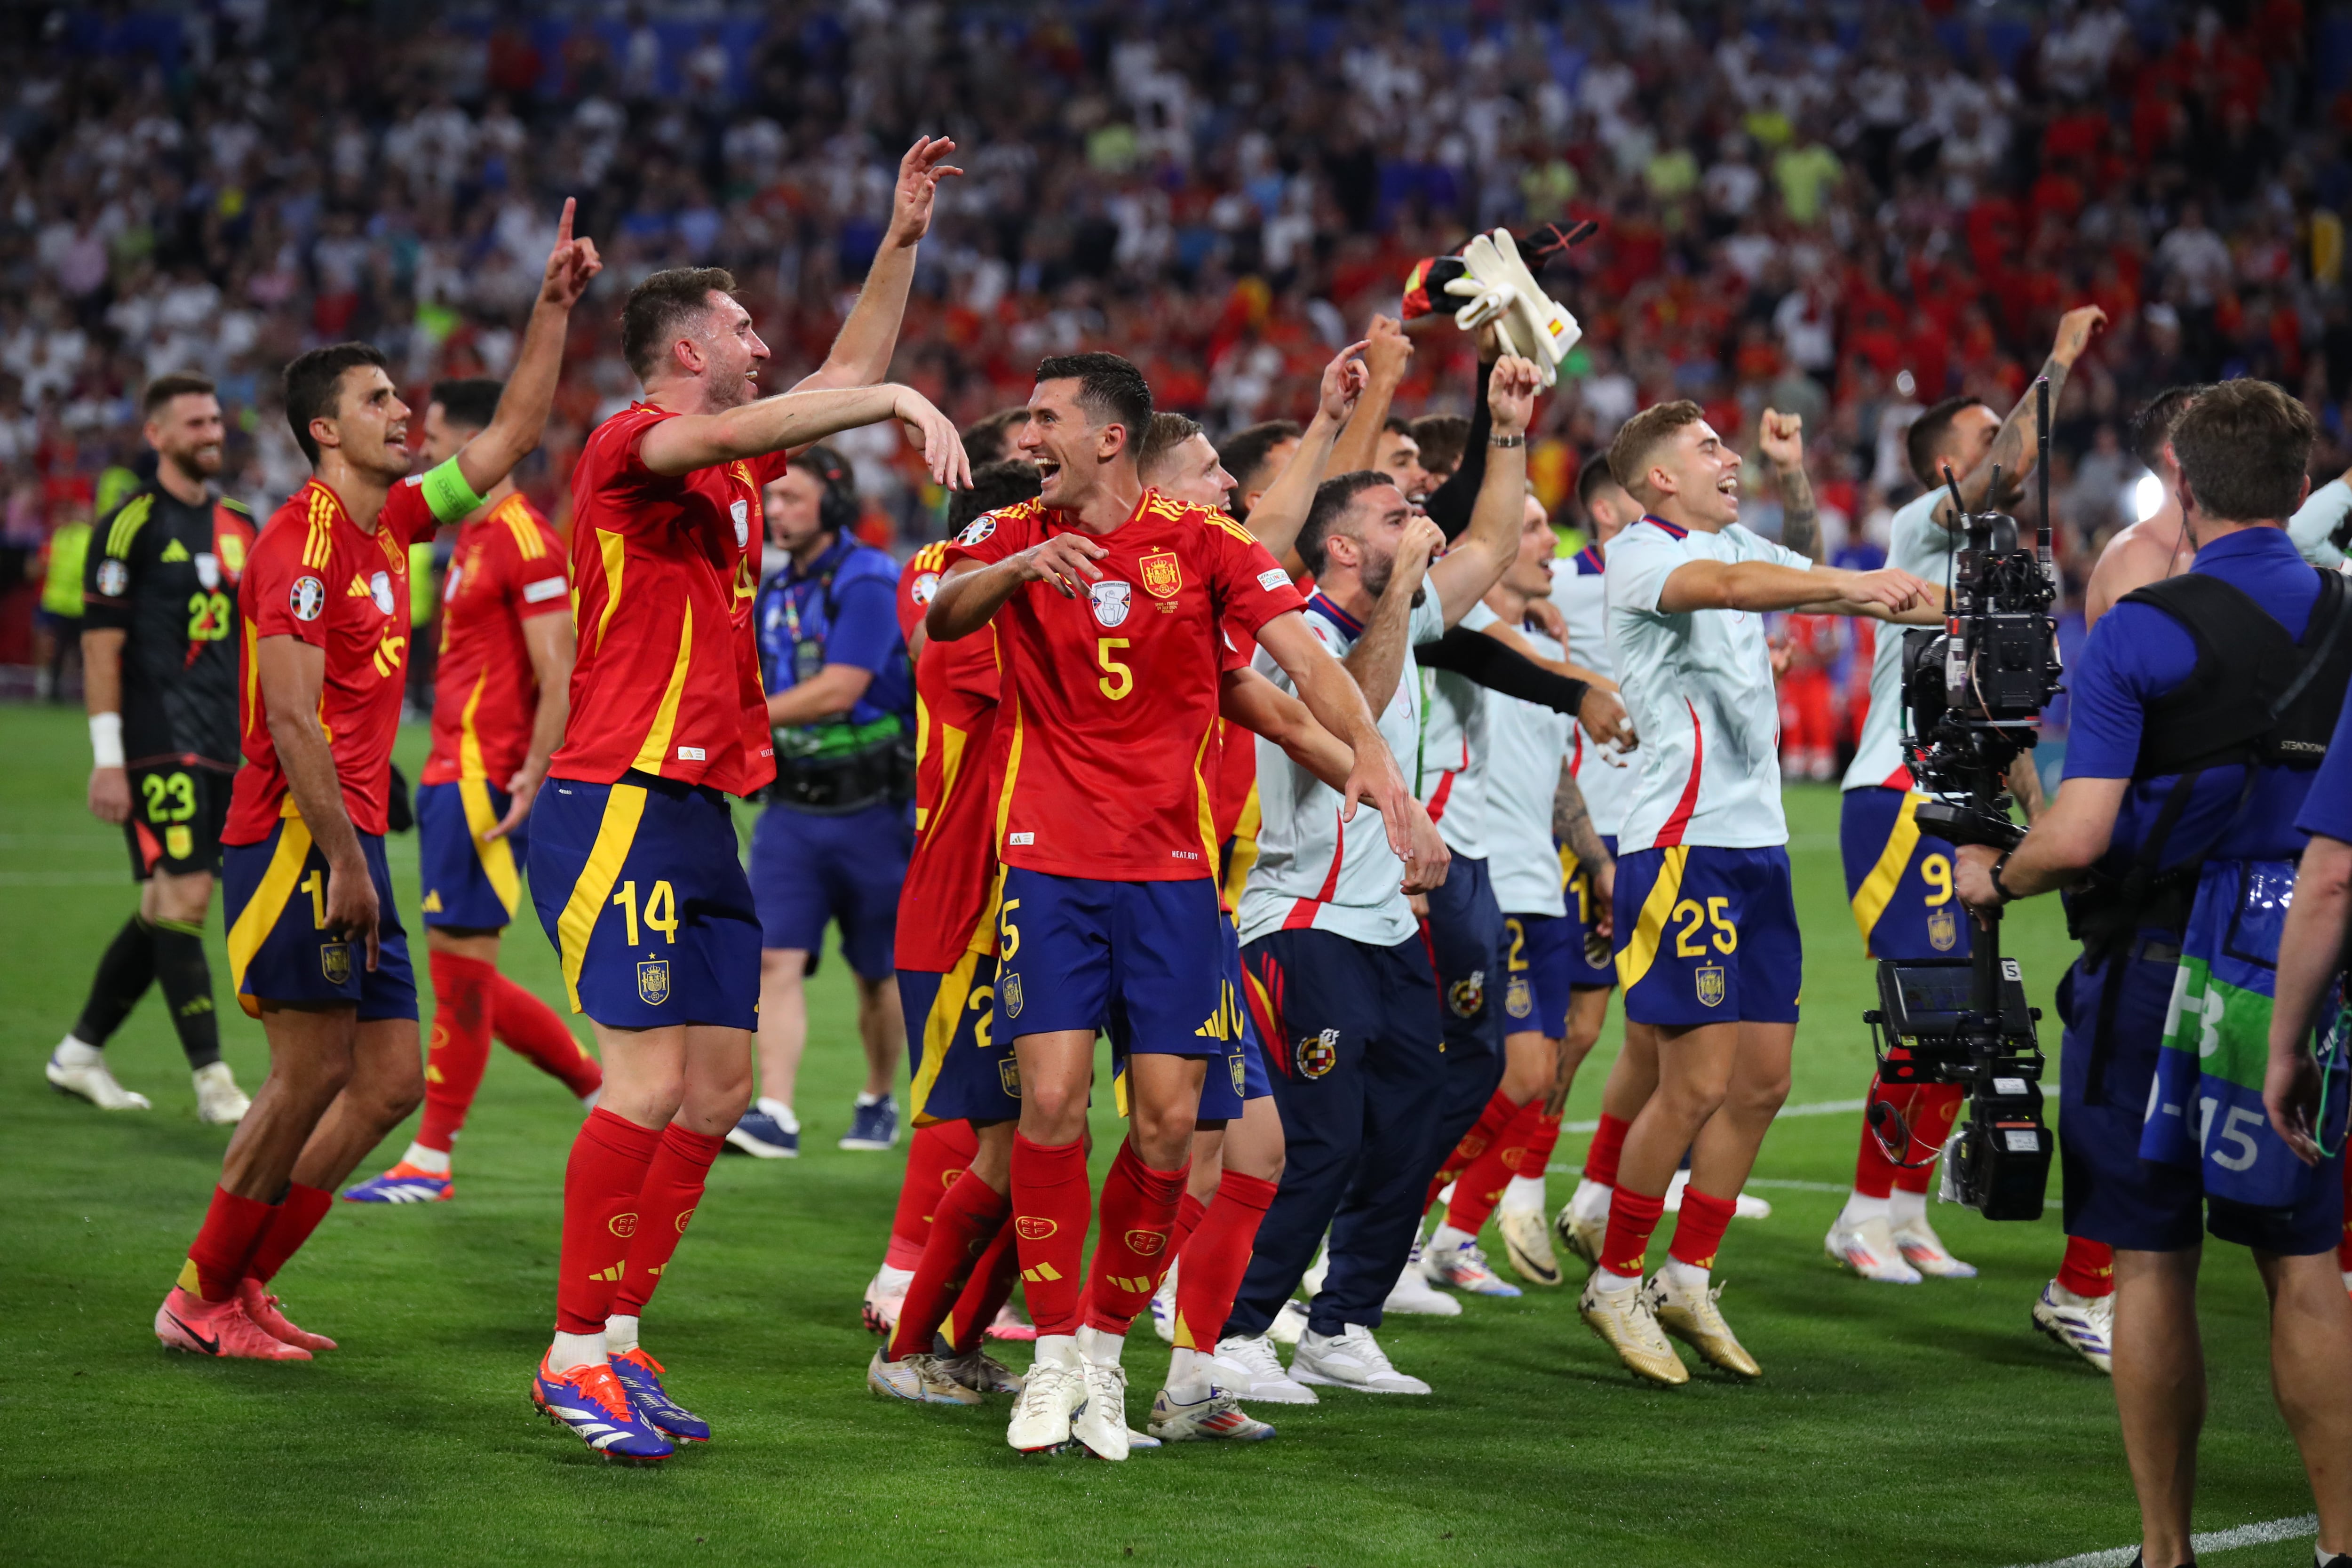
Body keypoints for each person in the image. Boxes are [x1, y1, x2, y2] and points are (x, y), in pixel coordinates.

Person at [926, 350, 1416, 1460]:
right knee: (1050, 1100)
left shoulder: (1204, 545)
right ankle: (1052, 1361)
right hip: (1048, 865)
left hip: (1172, 880)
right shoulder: (1010, 532)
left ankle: (1103, 1354)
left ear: (1108, 437)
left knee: (1162, 1125)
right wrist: (1016, 570)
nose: (1026, 436)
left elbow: (1305, 666)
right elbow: (943, 616)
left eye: (1046, 418)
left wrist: (1379, 769)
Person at [524, 254, 967, 1463]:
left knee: (719, 1092)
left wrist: (901, 235)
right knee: (647, 1084)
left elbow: (842, 371)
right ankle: (569, 1358)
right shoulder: (632, 444)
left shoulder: (728, 466)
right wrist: (888, 408)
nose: (761, 343)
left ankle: (617, 1334)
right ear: (686, 351)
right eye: (740, 326)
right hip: (620, 796)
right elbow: (833, 398)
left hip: (702, 810)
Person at [152, 205, 601, 1366]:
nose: (403, 413)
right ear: (322, 429)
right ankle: (199, 1292)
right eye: (378, 402)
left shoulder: (392, 523)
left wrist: (551, 309)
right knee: (306, 1076)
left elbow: (508, 435)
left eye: (402, 399)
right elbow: (290, 720)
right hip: (296, 843)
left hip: (349, 841)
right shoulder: (299, 547)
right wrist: (349, 859)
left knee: (390, 1078)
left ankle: (246, 1280)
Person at [1955, 379, 2352, 1568]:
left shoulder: (2141, 626)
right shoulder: (2347, 612)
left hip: (2160, 961)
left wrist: (1994, 881)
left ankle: (2164, 1549)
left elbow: (2078, 834)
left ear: (2180, 482)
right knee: (2303, 1263)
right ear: (2299, 487)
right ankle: (2340, 1542)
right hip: (2301, 964)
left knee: (2151, 1256)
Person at [1580, 399, 1937, 1387]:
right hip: (1682, 845)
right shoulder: (1645, 554)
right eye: (1708, 449)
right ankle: (1615, 1277)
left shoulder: (1732, 535)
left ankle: (1686, 1274)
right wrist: (1853, 584)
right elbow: (1744, 585)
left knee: (1763, 1080)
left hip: (1758, 846)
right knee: (1690, 1082)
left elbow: (1792, 572)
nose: (1725, 455)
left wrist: (1797, 488)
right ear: (1659, 479)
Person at [1216, 358, 1546, 1402]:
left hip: (1383, 922)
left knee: (1410, 1125)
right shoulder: (1293, 638)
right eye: (1397, 510)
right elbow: (1348, 718)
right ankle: (1234, 1329)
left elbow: (1490, 542)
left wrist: (1506, 426)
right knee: (1321, 1136)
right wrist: (1403, 586)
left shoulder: (1403, 610)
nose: (1421, 516)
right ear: (1347, 547)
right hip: (1299, 914)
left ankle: (1341, 1322)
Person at [1827, 305, 2101, 1293]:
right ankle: (1861, 1212)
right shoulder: (1916, 526)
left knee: (1973, 1017)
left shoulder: (2002, 560)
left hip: (1968, 788)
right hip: (1901, 797)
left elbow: (2008, 716)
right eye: (1983, 435)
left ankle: (1905, 1210)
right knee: (1928, 1010)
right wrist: (2059, 363)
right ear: (1942, 461)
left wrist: (2048, 810)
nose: (2004, 448)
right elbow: (1998, 472)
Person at [342, 377, 603, 1205]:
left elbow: (558, 671)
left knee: (459, 972)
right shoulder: (475, 537)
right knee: (463, 969)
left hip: (487, 778)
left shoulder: (525, 541)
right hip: (454, 772)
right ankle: (592, 1082)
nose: (424, 455)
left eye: (438, 439)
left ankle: (431, 1157)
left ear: (484, 440)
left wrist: (533, 768)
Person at [1417, 492, 1613, 1291]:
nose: (1547, 543)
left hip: (1543, 882)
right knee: (1504, 1076)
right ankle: (1396, 1228)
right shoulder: (1465, 642)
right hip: (1483, 878)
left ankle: (1449, 1236)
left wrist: (1595, 857)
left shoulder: (1536, 642)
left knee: (1538, 1076)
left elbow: (1555, 769)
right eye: (1529, 528)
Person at [52, 373, 255, 1124]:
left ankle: (79, 1053)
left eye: (216, 420)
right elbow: (100, 649)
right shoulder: (129, 523)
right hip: (154, 739)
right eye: (195, 422)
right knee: (189, 893)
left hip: (224, 744)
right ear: (158, 435)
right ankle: (214, 1081)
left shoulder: (242, 524)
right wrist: (108, 756)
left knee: (164, 904)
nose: (212, 432)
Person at [737, 446, 914, 1159]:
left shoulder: (870, 578)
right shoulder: (776, 591)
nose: (775, 512)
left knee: (878, 971)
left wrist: (740, 723)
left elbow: (841, 687)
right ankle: (773, 1110)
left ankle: (877, 1097)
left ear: (834, 503)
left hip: (874, 809)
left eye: (792, 500)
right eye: (772, 501)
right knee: (773, 958)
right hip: (792, 812)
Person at [1552, 461, 1646, 1266]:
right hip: (1587, 834)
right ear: (1610, 510)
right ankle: (1503, 1190)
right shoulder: (1555, 584)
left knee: (1648, 1020)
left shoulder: (1667, 578)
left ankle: (1605, 1189)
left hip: (1656, 827)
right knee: (1572, 1029)